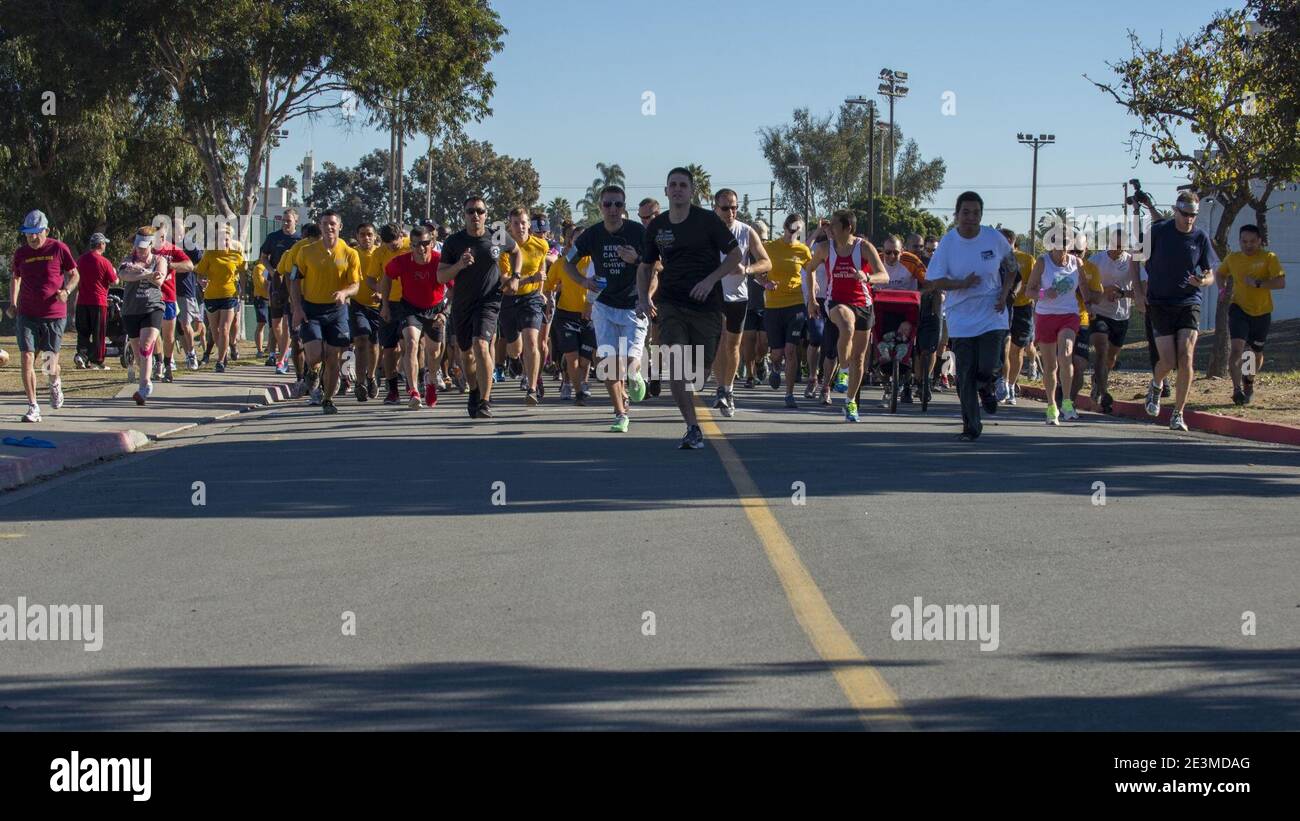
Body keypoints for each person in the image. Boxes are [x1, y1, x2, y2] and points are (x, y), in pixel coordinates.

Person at [637, 167, 741, 448]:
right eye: (673, 185)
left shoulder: (707, 220)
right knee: (675, 364)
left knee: (697, 374)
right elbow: (645, 266)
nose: (678, 189)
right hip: (670, 302)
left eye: (683, 185)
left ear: (691, 190)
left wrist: (711, 280)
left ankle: (696, 400)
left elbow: (736, 255)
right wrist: (643, 298)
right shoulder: (657, 227)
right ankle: (693, 427)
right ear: (666, 190)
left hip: (707, 305)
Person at [923, 192, 1019, 441]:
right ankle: (971, 427)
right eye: (965, 212)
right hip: (961, 316)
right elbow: (933, 280)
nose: (971, 217)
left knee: (987, 365)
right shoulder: (948, 243)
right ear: (956, 215)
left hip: (991, 311)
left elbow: (1012, 267)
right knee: (965, 373)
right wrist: (960, 283)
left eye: (976, 213)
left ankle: (987, 385)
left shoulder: (993, 238)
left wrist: (1004, 294)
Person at [562, 185, 648, 432]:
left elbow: (657, 265)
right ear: (600, 207)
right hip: (604, 305)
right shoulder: (592, 235)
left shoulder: (637, 232)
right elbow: (568, 263)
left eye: (618, 204)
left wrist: (637, 260)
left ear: (624, 207)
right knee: (609, 363)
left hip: (633, 306)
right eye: (608, 204)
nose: (613, 209)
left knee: (631, 362)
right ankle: (620, 413)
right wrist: (583, 281)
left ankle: (634, 376)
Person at [1132, 191, 1217, 431]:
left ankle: (1178, 413)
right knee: (1167, 361)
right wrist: (1138, 293)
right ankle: (1156, 385)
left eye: (1193, 215)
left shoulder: (1200, 238)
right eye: (1185, 214)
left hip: (1189, 301)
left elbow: (1210, 273)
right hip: (1159, 302)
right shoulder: (1159, 232)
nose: (1189, 219)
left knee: (1186, 356)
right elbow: (1134, 260)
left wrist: (1203, 281)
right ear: (1175, 210)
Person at [439, 195, 521, 419]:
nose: (476, 215)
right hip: (463, 303)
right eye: (471, 211)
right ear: (463, 215)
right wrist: (459, 264)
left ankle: (485, 400)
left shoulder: (496, 235)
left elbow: (516, 252)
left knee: (481, 344)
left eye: (480, 211)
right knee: (466, 354)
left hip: (489, 300)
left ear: (486, 214)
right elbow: (440, 276)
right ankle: (474, 390)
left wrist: (515, 276)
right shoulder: (454, 242)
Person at [804, 211, 889, 422]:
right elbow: (809, 268)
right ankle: (842, 370)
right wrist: (813, 299)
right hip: (835, 301)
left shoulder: (864, 247)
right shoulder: (825, 248)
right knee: (846, 324)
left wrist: (867, 276)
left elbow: (884, 276)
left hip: (863, 304)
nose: (829, 228)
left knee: (859, 359)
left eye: (833, 225)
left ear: (847, 227)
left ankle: (850, 402)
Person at [289, 210, 360, 415]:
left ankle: (328, 399)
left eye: (332, 224)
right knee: (314, 355)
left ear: (340, 227)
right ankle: (312, 371)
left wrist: (345, 292)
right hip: (311, 309)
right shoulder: (306, 251)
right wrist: (297, 308)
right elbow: (294, 280)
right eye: (325, 223)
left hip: (337, 311)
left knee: (333, 358)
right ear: (319, 226)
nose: (329, 227)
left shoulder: (349, 253)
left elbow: (355, 284)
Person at [11, 210, 79, 422]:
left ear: (46, 231)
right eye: (28, 233)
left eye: (36, 233)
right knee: (27, 357)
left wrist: (66, 291)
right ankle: (33, 406)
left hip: (53, 314)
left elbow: (74, 274)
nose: (32, 238)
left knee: (48, 364)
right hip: (27, 313)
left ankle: (55, 382)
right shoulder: (21, 253)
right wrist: (13, 302)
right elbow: (15, 277)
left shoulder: (58, 248)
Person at [709, 190, 771, 417]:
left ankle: (729, 390)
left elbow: (766, 262)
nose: (731, 212)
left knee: (733, 345)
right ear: (715, 208)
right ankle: (719, 389)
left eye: (734, 207)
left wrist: (747, 269)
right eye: (725, 208)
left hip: (738, 296)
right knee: (718, 342)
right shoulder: (707, 232)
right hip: (713, 294)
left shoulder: (746, 231)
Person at [1217, 224, 1286, 405]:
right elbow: (1220, 273)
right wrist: (1222, 289)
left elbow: (1280, 282)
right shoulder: (1233, 258)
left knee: (1254, 353)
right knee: (1238, 349)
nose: (1248, 245)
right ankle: (1236, 390)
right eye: (1244, 241)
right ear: (1239, 241)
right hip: (1238, 309)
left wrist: (1257, 283)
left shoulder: (1269, 258)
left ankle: (1248, 382)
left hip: (1262, 312)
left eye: (1252, 242)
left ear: (1260, 241)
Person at [382, 224, 446, 409]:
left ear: (431, 242)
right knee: (411, 343)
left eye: (425, 243)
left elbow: (453, 288)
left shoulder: (439, 261)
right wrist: (385, 305)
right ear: (411, 245)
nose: (421, 248)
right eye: (416, 244)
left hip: (435, 309)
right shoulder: (401, 261)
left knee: (434, 352)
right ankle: (414, 391)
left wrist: (444, 312)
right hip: (410, 308)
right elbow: (386, 276)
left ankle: (431, 380)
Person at [1025, 237, 1085, 425]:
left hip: (1069, 314)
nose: (1062, 250)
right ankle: (1051, 406)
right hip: (1046, 315)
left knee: (1066, 354)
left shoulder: (1077, 263)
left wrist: (1092, 302)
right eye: (1058, 246)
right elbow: (1029, 292)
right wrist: (1044, 293)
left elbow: (1084, 289)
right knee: (1051, 365)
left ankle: (1067, 402)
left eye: (1065, 246)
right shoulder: (1043, 262)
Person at [758, 213, 812, 408]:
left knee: (791, 350)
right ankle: (774, 366)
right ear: (785, 227)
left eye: (797, 229)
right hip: (773, 306)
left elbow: (811, 273)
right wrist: (765, 282)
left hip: (795, 304)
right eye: (790, 228)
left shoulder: (803, 250)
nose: (793, 232)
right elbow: (756, 271)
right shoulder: (770, 247)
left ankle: (789, 394)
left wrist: (813, 295)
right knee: (777, 353)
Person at [498, 207, 550, 405]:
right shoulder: (504, 248)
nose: (520, 227)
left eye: (523, 222)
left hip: (531, 298)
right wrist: (531, 278)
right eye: (516, 223)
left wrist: (542, 290)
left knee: (531, 341)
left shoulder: (541, 244)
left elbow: (542, 267)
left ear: (529, 224)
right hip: (509, 299)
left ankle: (532, 387)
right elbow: (505, 281)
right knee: (515, 348)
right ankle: (513, 359)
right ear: (509, 226)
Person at [117, 227, 168, 406]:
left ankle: (144, 387)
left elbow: (159, 280)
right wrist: (146, 273)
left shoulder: (159, 260)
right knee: (139, 353)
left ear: (151, 245)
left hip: (152, 307)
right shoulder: (127, 260)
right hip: (131, 310)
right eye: (137, 246)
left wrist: (139, 271)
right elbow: (123, 275)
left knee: (146, 346)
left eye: (143, 247)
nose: (139, 250)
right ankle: (147, 372)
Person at [546, 224, 596, 403]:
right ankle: (576, 390)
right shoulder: (562, 262)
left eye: (585, 237)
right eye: (578, 238)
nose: (582, 241)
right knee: (572, 357)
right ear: (571, 241)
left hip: (590, 317)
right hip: (566, 315)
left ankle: (579, 381)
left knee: (584, 361)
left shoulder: (596, 261)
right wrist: (549, 300)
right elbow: (548, 286)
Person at [1086, 229, 1135, 413]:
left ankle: (1097, 380)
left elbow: (1140, 291)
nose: (1118, 250)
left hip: (1121, 316)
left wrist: (1122, 293)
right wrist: (1102, 291)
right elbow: (1084, 287)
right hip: (1099, 313)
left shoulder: (1131, 262)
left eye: (1122, 247)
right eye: (1116, 246)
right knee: (1101, 349)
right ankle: (1103, 393)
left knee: (1111, 358)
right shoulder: (1096, 261)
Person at [876, 235, 927, 404]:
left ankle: (908, 380)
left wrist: (929, 294)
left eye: (895, 253)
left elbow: (927, 281)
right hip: (882, 309)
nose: (891, 257)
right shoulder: (875, 259)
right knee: (877, 338)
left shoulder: (911, 261)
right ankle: (882, 375)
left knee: (908, 345)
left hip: (907, 310)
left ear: (902, 251)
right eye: (887, 252)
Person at [194, 225, 246, 374]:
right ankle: (223, 352)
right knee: (214, 330)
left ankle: (220, 360)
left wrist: (242, 290)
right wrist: (201, 281)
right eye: (222, 239)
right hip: (211, 296)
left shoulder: (236, 254)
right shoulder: (210, 254)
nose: (225, 242)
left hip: (229, 294)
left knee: (224, 328)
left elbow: (243, 271)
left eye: (227, 239)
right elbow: (200, 272)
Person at [368, 223, 411, 403]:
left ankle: (412, 383)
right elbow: (370, 278)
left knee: (410, 343)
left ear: (401, 236)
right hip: (388, 305)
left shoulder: (412, 246)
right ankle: (393, 390)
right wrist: (380, 290)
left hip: (410, 303)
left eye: (395, 242)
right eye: (388, 243)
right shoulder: (379, 253)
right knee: (389, 349)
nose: (393, 246)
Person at [996, 228, 1037, 406]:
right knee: (1005, 348)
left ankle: (1012, 386)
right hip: (1003, 308)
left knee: (1017, 351)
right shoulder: (994, 258)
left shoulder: (1027, 260)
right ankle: (1003, 384)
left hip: (1023, 308)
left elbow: (1038, 285)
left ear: (1013, 242)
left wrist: (1033, 292)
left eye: (1005, 241)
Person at [151, 220, 193, 382]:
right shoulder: (146, 249)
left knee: (168, 336)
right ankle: (159, 362)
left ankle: (168, 363)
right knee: (154, 333)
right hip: (151, 297)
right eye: (156, 236)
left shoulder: (172, 249)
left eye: (162, 236)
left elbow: (189, 265)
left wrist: (172, 264)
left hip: (168, 296)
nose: (159, 240)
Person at [259, 208, 301, 368]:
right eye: (283, 220)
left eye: (288, 220)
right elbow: (263, 257)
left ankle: (282, 358)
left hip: (293, 284)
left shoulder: (300, 239)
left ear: (295, 221)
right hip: (276, 285)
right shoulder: (273, 237)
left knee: (287, 322)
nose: (285, 223)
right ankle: (286, 349)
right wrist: (272, 271)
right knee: (275, 323)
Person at [73, 232, 118, 371]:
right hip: (98, 302)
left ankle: (82, 355)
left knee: (83, 332)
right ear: (100, 245)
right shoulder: (104, 262)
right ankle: (97, 360)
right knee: (98, 333)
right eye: (104, 244)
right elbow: (114, 280)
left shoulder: (81, 260)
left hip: (82, 301)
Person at [348, 222, 382, 401]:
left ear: (375, 236)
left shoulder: (381, 253)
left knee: (374, 344)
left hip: (377, 306)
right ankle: (359, 382)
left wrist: (382, 292)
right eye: (362, 234)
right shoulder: (352, 253)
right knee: (361, 340)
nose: (366, 238)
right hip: (357, 304)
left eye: (369, 234)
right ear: (357, 236)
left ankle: (371, 377)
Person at [637, 198, 663, 397]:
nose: (645, 221)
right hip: (639, 294)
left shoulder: (665, 233)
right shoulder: (637, 235)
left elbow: (657, 268)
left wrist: (649, 296)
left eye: (649, 216)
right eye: (642, 217)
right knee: (642, 339)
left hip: (663, 295)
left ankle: (656, 373)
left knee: (658, 340)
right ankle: (644, 377)